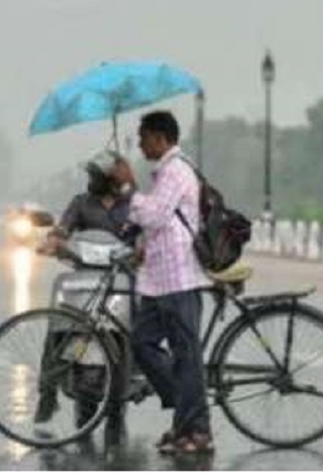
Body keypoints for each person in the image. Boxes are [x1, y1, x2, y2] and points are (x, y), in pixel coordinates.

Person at [113, 110, 214, 455]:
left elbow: (155, 216)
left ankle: (197, 430)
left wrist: (129, 187)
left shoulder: (176, 170)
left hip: (180, 278)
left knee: (187, 356)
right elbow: (155, 221)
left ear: (159, 138)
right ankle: (185, 414)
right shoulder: (163, 173)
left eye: (143, 137)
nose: (140, 144)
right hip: (158, 280)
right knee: (142, 343)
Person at [33, 149, 139, 425]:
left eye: (96, 175)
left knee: (133, 332)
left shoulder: (133, 205)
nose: (91, 180)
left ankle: (130, 381)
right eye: (91, 175)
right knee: (57, 326)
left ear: (112, 178)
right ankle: (48, 390)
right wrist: (54, 241)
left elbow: (145, 235)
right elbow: (63, 229)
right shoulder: (81, 203)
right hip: (83, 280)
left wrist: (142, 251)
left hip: (121, 279)